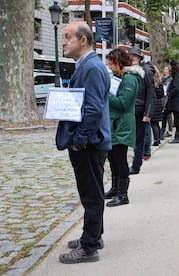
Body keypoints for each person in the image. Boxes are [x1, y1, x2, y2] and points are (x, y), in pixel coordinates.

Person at [56, 21, 111, 264]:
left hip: (89, 144)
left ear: (83, 40)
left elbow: (93, 110)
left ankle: (89, 247)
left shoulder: (91, 67)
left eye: (68, 37)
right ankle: (93, 236)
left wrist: (79, 141)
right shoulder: (88, 65)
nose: (64, 41)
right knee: (92, 192)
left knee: (91, 195)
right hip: (90, 142)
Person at [104, 48, 143, 207]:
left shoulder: (130, 79)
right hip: (114, 123)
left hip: (122, 124)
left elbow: (123, 103)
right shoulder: (118, 76)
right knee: (112, 158)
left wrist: (105, 94)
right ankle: (114, 189)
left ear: (119, 62)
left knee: (120, 159)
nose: (109, 66)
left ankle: (123, 194)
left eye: (111, 63)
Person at [128, 47, 155, 175]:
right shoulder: (126, 71)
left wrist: (148, 113)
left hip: (140, 110)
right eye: (131, 56)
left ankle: (136, 165)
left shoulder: (146, 72)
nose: (132, 58)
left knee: (139, 140)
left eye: (135, 56)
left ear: (139, 58)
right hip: (128, 110)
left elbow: (150, 93)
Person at [161, 60, 179, 143]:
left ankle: (174, 135)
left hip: (174, 100)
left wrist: (169, 94)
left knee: (171, 116)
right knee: (173, 116)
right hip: (175, 100)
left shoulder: (177, 77)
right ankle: (173, 134)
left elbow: (176, 88)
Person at [150, 65, 165, 146]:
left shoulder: (152, 81)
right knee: (156, 123)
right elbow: (162, 94)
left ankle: (156, 140)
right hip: (159, 102)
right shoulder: (159, 81)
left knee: (153, 123)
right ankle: (158, 139)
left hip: (154, 103)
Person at [161, 66, 173, 139]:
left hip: (167, 97)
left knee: (168, 114)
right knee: (163, 114)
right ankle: (163, 129)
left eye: (166, 69)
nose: (165, 70)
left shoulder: (170, 79)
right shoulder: (162, 78)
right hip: (162, 96)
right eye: (164, 69)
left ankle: (170, 130)